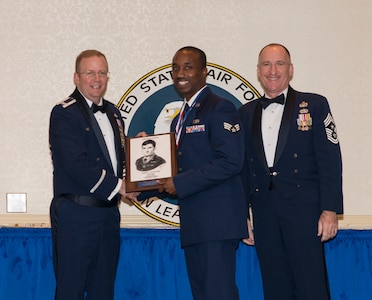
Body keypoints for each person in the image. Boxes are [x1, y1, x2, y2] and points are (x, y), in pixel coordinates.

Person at [239, 43, 343, 300]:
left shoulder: (315, 105)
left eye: (279, 64)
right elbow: (242, 168)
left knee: (312, 288)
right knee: (275, 288)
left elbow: (330, 160)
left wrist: (330, 210)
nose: (272, 70)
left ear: (291, 69)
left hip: (305, 213)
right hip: (264, 214)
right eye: (266, 64)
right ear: (257, 70)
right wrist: (242, 215)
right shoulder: (245, 112)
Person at [158, 46, 248, 300]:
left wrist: (180, 183)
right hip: (196, 223)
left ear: (204, 72)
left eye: (188, 67)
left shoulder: (220, 108)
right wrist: (140, 187)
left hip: (216, 223)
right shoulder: (181, 117)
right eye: (175, 68)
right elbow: (178, 167)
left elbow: (231, 161)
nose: (180, 73)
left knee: (218, 294)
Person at [49, 50, 133, 300]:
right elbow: (76, 165)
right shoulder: (64, 112)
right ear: (76, 77)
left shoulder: (114, 113)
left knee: (103, 291)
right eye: (90, 73)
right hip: (76, 215)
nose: (96, 78)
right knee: (70, 291)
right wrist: (120, 186)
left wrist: (137, 151)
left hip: (108, 215)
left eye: (102, 72)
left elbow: (114, 159)